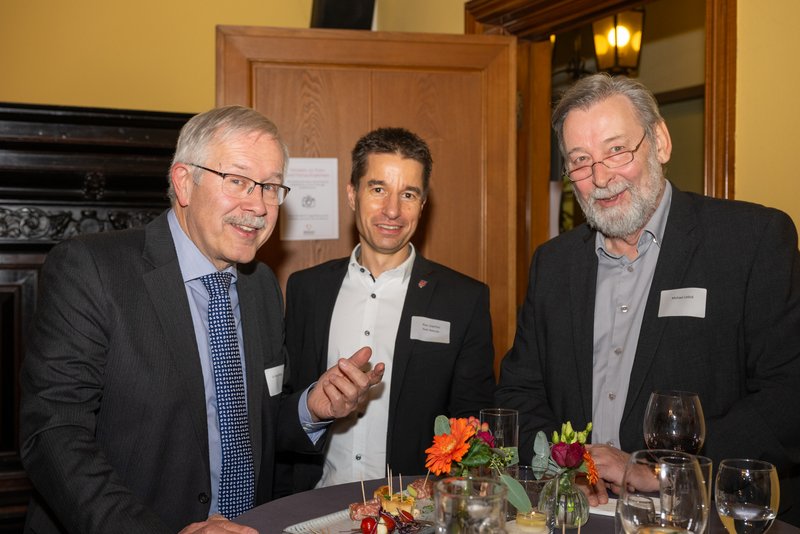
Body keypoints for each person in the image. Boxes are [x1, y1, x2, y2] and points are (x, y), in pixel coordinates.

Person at [19, 105, 384, 534]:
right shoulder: (92, 269)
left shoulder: (260, 285)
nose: (258, 205)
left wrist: (311, 408)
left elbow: (251, 423)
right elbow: (55, 434)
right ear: (183, 182)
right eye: (238, 181)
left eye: (270, 187)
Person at [496, 73, 800, 524]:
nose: (600, 176)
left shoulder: (752, 241)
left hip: (711, 518)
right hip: (583, 515)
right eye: (580, 161)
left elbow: (787, 396)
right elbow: (520, 394)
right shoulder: (554, 265)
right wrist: (571, 463)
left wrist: (661, 472)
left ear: (659, 142)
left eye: (617, 150)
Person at [276, 127, 496, 492]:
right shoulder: (306, 289)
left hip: (413, 513)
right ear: (352, 194)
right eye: (378, 189)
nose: (392, 210)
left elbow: (473, 424)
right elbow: (282, 409)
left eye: (408, 194)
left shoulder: (463, 300)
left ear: (423, 205)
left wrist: (446, 489)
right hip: (314, 506)